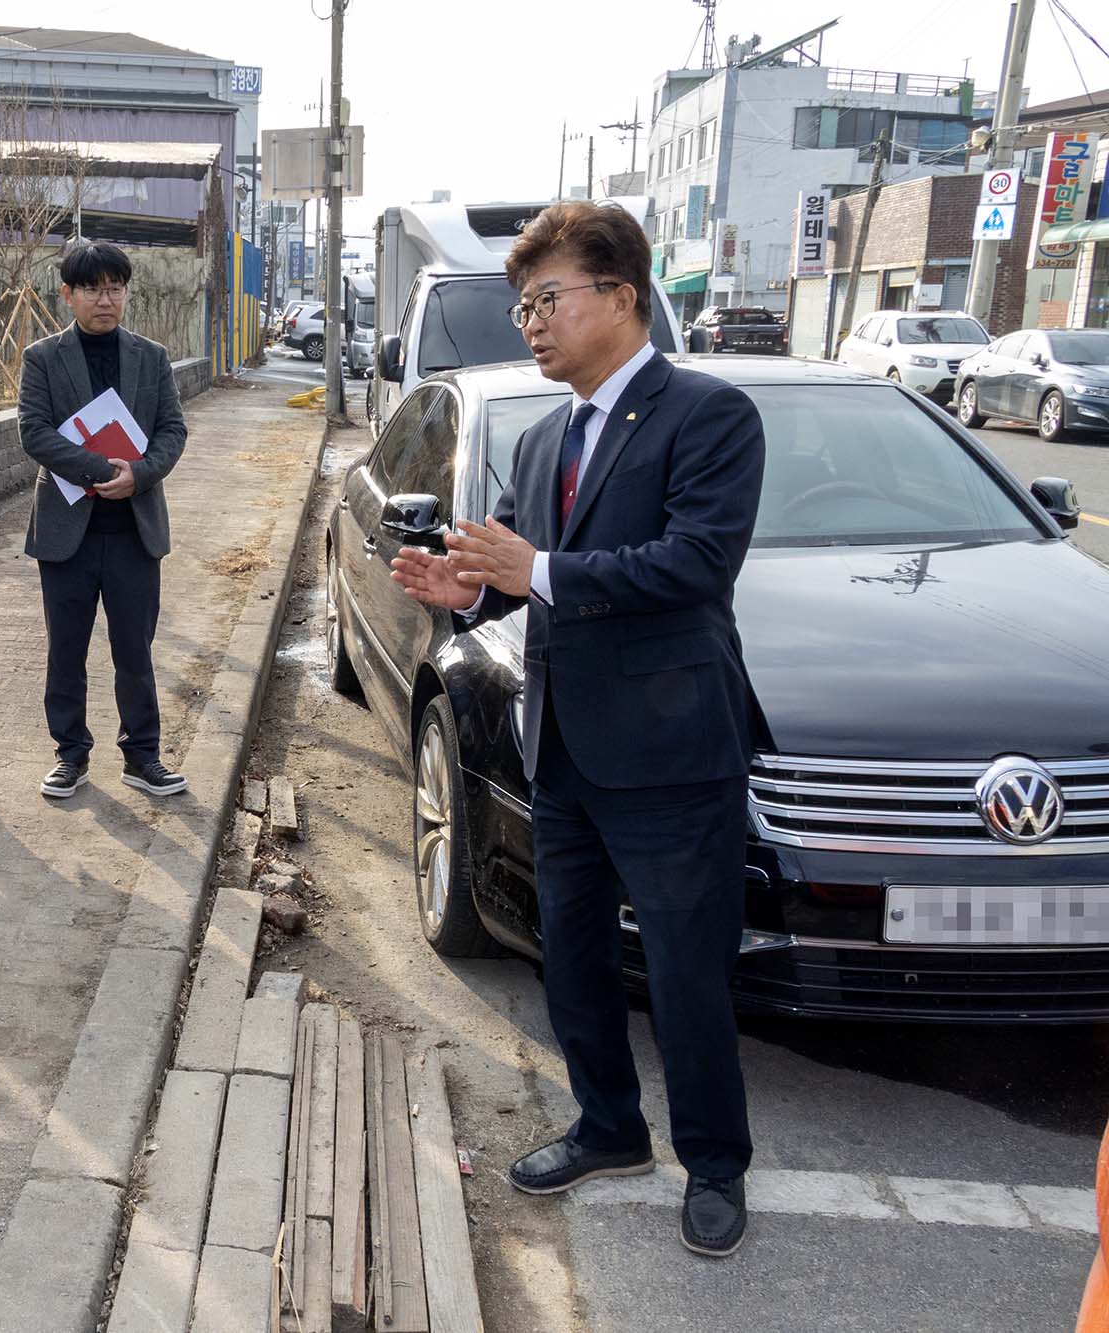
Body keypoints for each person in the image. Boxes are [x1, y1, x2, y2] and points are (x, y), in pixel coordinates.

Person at [391, 202, 765, 1259]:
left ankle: (715, 1163)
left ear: (620, 297)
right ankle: (607, 1126)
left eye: (547, 299)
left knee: (688, 972)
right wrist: (459, 592)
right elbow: (516, 586)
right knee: (572, 957)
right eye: (522, 305)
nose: (531, 323)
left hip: (669, 751)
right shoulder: (547, 433)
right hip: (561, 742)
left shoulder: (708, 415)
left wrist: (535, 570)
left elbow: (694, 563)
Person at [17, 240, 187, 800]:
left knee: (134, 651)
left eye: (115, 287)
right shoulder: (42, 357)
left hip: (135, 532)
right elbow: (34, 432)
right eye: (91, 288)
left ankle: (142, 756)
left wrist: (138, 475)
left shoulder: (151, 357)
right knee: (65, 650)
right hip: (67, 535)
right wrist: (99, 468)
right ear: (67, 294)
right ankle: (70, 754)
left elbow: (172, 431)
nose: (104, 299)